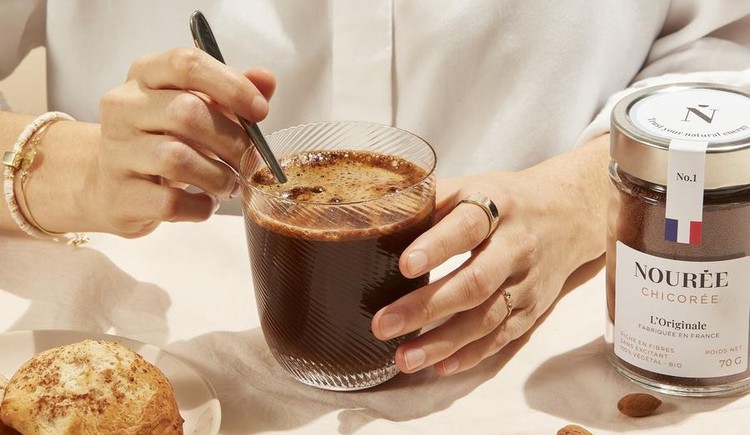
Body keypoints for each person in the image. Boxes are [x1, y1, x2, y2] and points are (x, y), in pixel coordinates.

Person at [1, 1, 749, 377]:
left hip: (557, 366)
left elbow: (727, 44)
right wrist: (65, 167)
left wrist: (588, 194)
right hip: (143, 368)